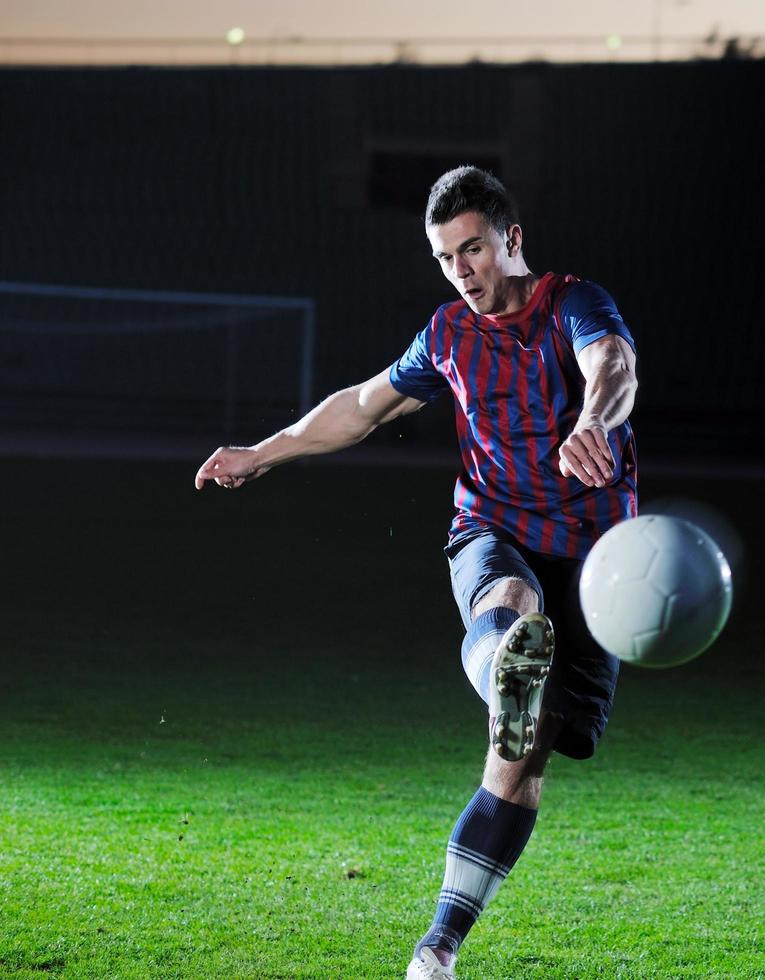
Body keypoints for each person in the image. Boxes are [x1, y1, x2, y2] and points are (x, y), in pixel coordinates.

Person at [193, 166, 639, 980]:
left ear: (512, 238)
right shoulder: (446, 335)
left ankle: (439, 948)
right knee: (507, 599)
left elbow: (612, 364)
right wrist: (264, 452)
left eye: (473, 249)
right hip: (493, 525)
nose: (462, 271)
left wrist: (593, 421)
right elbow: (362, 406)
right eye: (444, 258)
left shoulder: (575, 302)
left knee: (524, 758)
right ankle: (505, 663)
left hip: (594, 556)